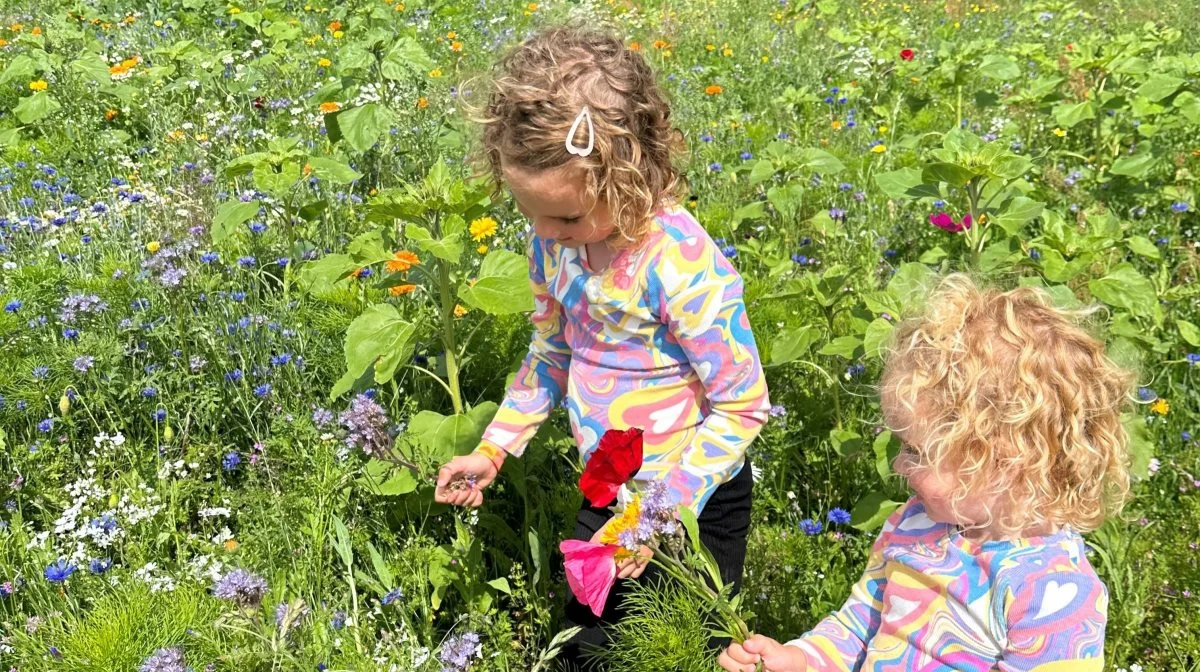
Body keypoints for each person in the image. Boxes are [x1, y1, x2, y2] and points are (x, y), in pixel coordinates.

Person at [432, 26, 771, 668]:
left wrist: (658, 514)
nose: (543, 233)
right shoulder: (554, 245)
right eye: (526, 210)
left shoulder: (682, 264)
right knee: (585, 649)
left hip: (693, 500)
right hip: (609, 489)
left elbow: (744, 406)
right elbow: (551, 352)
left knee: (676, 648)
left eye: (562, 217)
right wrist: (495, 446)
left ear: (630, 176)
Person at [720, 274, 1136, 672]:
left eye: (917, 451)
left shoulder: (1054, 593)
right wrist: (805, 659)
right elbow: (861, 623)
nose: (899, 464)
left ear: (1004, 462)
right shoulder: (914, 525)